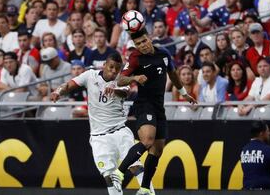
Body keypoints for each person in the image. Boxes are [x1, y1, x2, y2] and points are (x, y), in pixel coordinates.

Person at [106, 27, 196, 195]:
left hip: (159, 107)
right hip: (143, 104)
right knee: (147, 141)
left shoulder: (164, 54)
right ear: (134, 44)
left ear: (150, 38)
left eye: (144, 41)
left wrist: (184, 93)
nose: (143, 45)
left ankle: (145, 188)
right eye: (138, 43)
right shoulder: (135, 58)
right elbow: (120, 80)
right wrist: (134, 78)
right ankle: (119, 172)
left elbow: (173, 74)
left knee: (157, 150)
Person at [50, 54, 154, 195]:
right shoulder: (90, 75)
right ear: (104, 64)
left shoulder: (121, 79)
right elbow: (69, 84)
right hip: (99, 137)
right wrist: (58, 91)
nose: (113, 71)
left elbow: (125, 93)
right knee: (109, 177)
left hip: (120, 131)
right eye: (111, 67)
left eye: (116, 69)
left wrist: (114, 89)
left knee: (135, 166)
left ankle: (149, 192)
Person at [241, 120, 270, 190]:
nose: (269, 133)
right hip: (265, 191)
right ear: (261, 133)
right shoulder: (268, 150)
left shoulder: (244, 150)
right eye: (267, 131)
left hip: (247, 191)